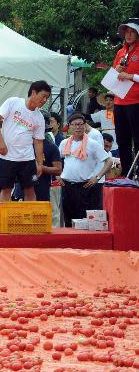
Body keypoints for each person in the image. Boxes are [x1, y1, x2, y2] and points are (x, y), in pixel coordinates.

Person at [0, 81, 50, 202]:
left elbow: (38, 142)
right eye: (43, 96)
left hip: (27, 159)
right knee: (6, 189)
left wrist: (39, 163)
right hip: (7, 156)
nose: (45, 100)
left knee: (30, 190)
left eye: (47, 97)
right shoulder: (13, 102)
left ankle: (29, 219)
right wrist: (1, 142)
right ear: (34, 92)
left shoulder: (39, 117)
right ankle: (5, 220)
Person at [58, 113, 112, 226]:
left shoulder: (92, 144)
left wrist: (97, 177)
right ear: (70, 126)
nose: (78, 127)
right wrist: (58, 175)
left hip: (86, 187)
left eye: (80, 124)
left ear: (85, 125)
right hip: (67, 186)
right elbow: (57, 160)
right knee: (69, 219)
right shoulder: (64, 143)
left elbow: (109, 161)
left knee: (86, 221)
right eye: (75, 124)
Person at [113, 18, 139, 176]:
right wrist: (116, 70)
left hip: (136, 101)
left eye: (132, 32)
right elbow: (114, 75)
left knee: (138, 139)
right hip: (119, 100)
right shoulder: (120, 52)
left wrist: (130, 76)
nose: (128, 35)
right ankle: (126, 174)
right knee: (122, 139)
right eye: (126, 32)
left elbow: (129, 76)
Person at [35, 110, 63, 204]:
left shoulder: (51, 147)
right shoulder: (23, 144)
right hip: (22, 189)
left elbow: (58, 170)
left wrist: (41, 167)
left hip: (41, 190)